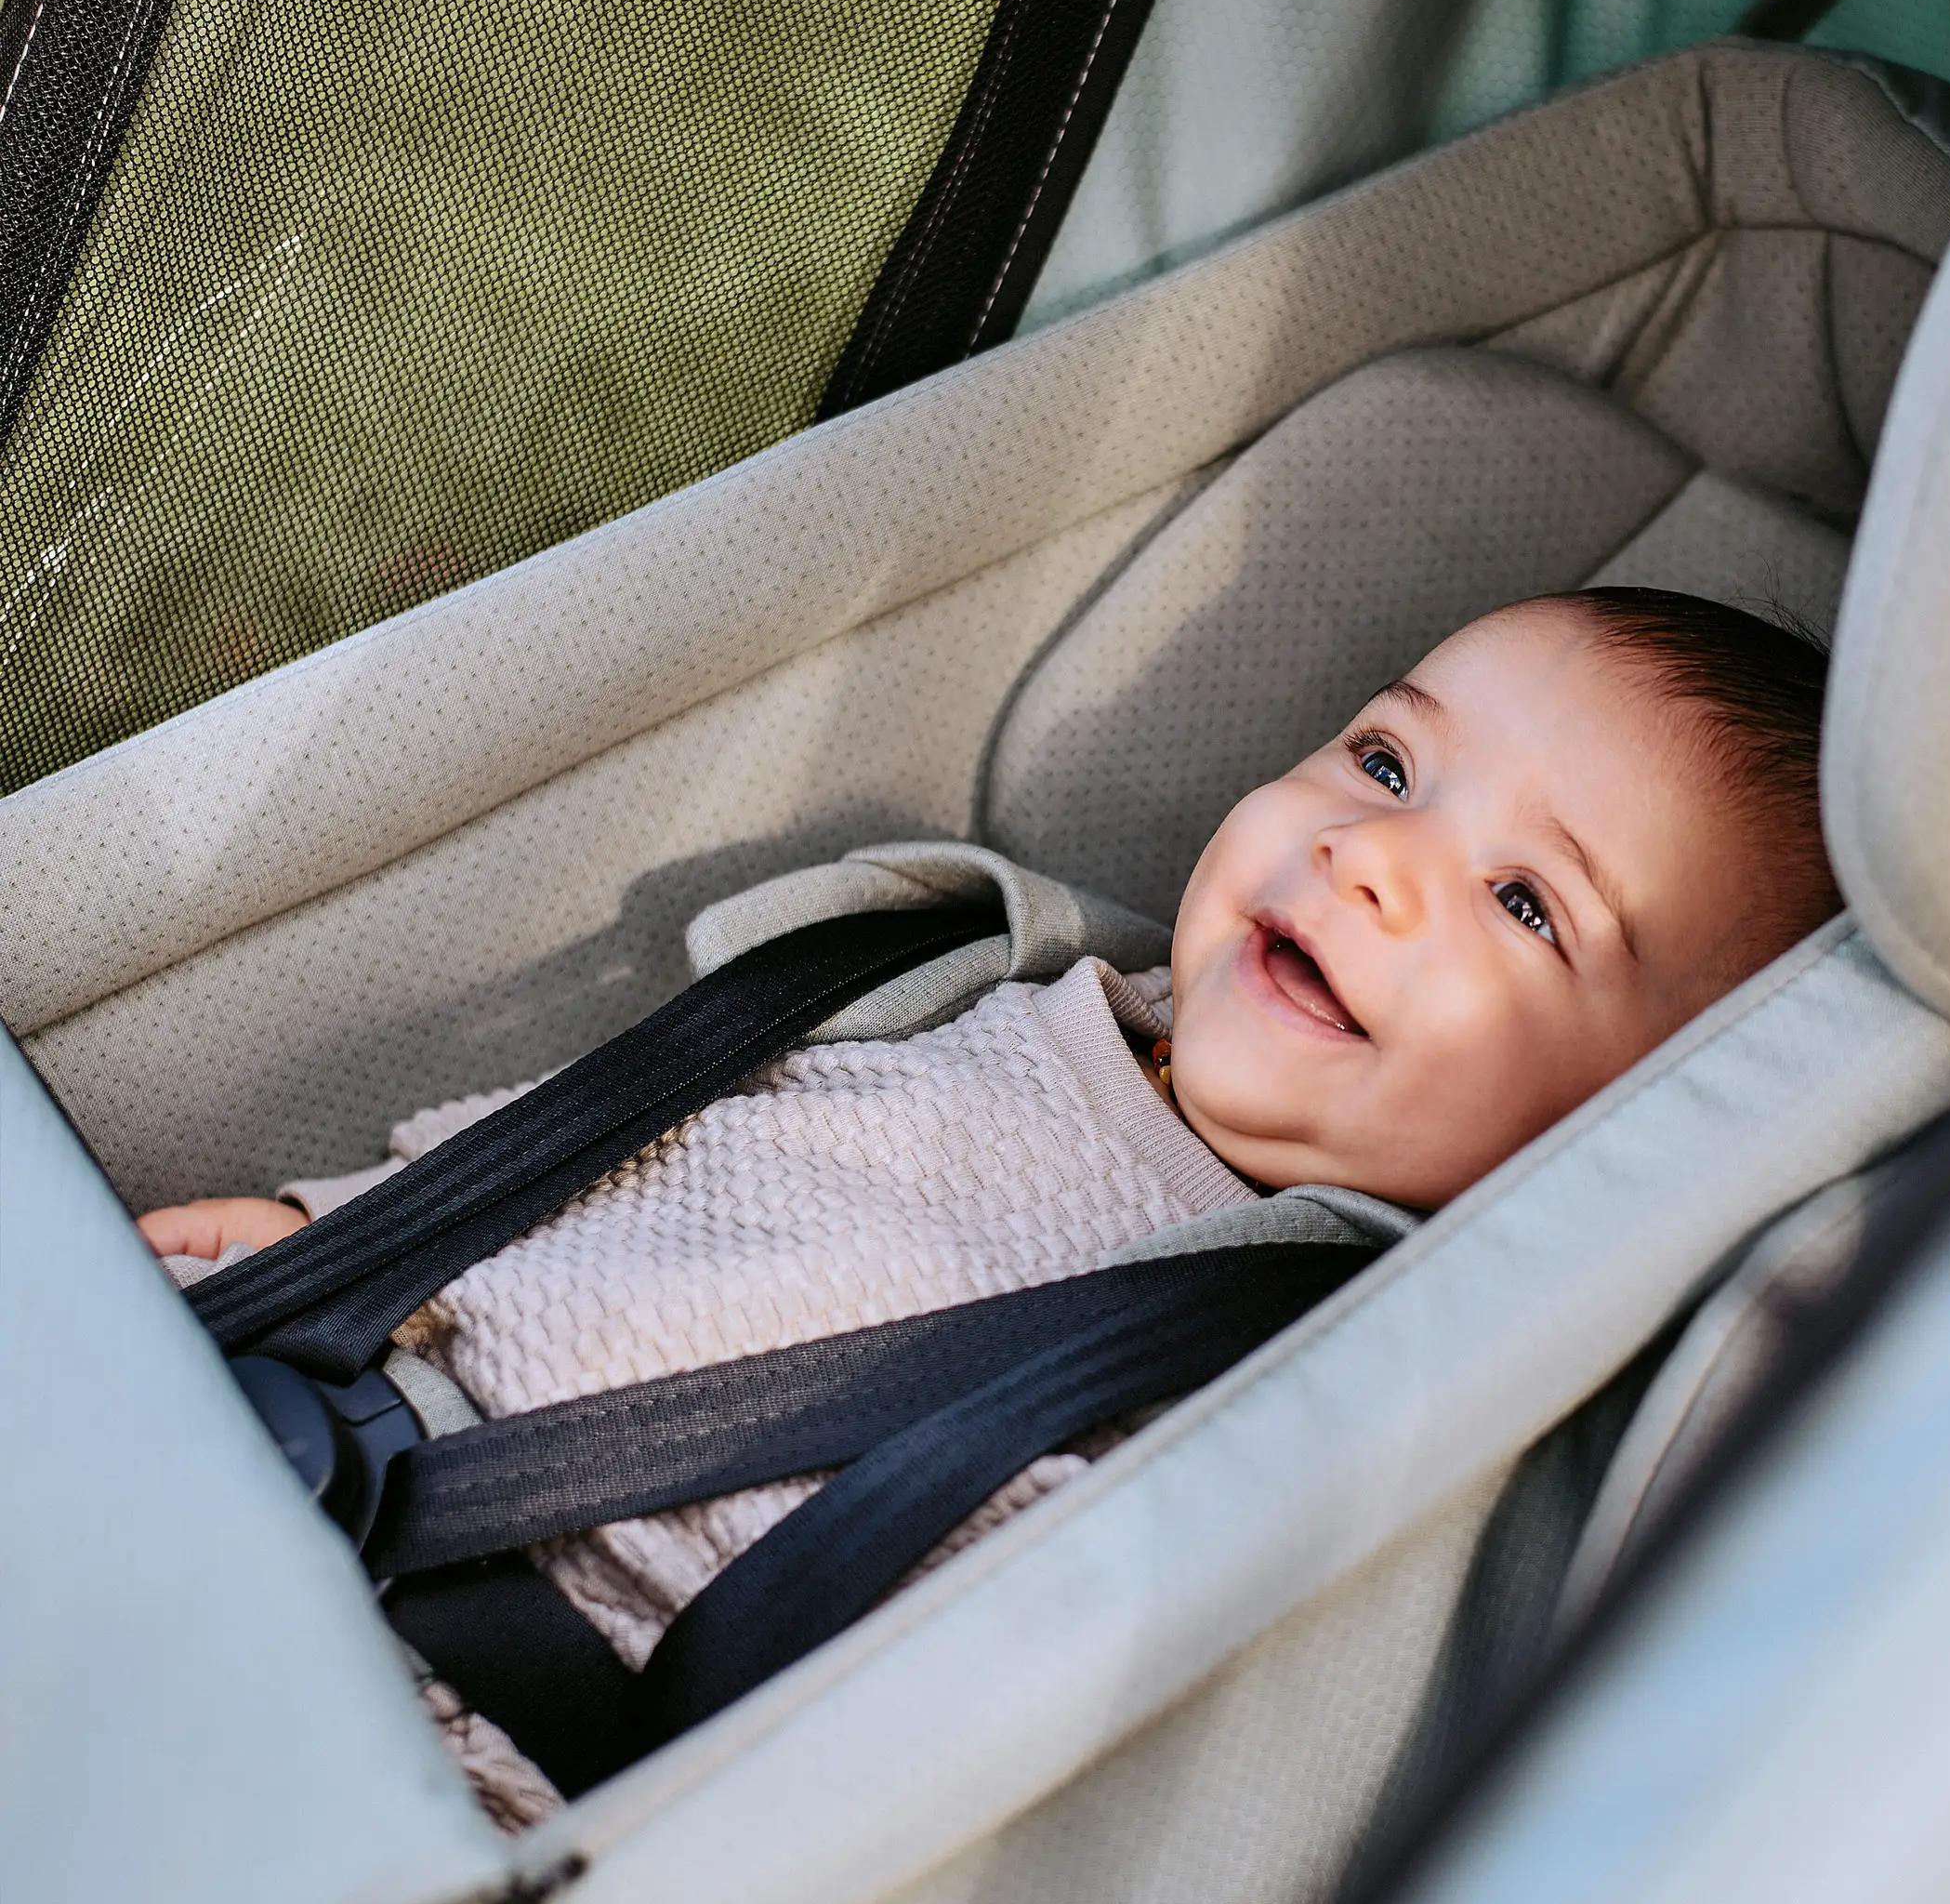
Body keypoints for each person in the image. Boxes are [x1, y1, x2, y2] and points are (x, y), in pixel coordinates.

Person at [145, 588, 1839, 1825]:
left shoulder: (1322, 1384)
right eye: (1389, 762)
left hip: (483, 1770)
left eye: (1531, 904)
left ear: (1629, 1133)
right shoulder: (987, 974)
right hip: (270, 1435)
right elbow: (643, 1126)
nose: (1374, 857)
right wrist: (347, 1224)